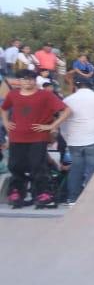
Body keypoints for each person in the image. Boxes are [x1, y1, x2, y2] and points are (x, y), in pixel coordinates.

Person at [2, 69, 67, 208]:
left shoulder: (45, 95)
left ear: (35, 80)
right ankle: (17, 192)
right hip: (16, 136)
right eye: (24, 79)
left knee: (37, 166)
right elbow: (4, 108)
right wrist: (6, 122)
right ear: (20, 81)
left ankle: (43, 193)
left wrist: (51, 126)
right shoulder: (13, 94)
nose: (27, 82)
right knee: (15, 165)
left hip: (37, 137)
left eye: (31, 79)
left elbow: (66, 110)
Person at [60, 73, 94, 204]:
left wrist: (67, 138)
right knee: (93, 169)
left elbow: (62, 123)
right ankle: (91, 199)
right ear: (92, 86)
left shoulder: (68, 100)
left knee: (76, 168)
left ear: (75, 87)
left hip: (74, 139)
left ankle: (73, 198)